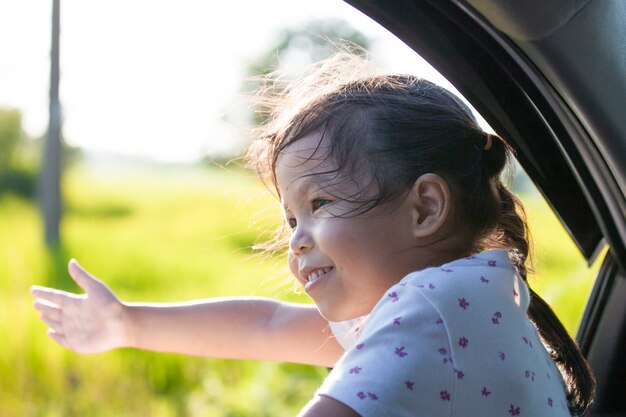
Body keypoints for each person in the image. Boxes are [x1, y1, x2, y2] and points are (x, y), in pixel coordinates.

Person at [30, 52, 594, 416]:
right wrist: (127, 322)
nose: (297, 240)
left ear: (424, 206)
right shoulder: (472, 300)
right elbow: (268, 325)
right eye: (291, 218)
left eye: (320, 203)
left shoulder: (436, 306)